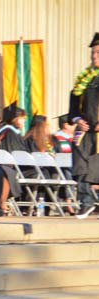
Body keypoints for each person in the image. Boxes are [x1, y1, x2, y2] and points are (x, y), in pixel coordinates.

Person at [69, 32, 99, 219]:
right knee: (80, 164)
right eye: (92, 53)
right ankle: (86, 202)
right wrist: (77, 120)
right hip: (85, 131)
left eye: (97, 53)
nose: (94, 56)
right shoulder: (84, 79)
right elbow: (72, 108)